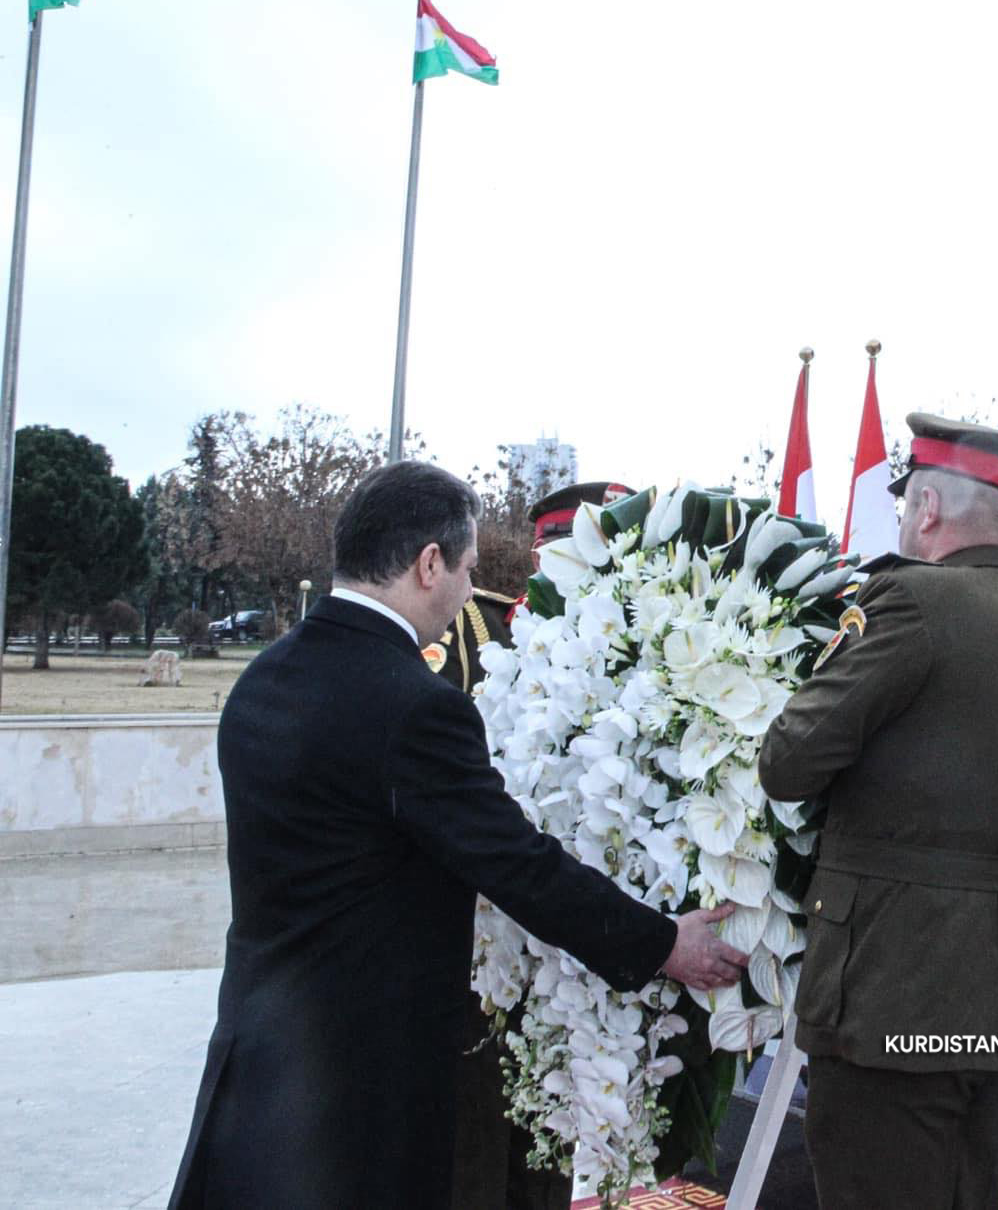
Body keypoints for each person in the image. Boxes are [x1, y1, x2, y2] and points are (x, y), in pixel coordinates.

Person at [168, 460, 749, 1209]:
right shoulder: (413, 705)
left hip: (260, 1049)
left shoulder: (263, 680)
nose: (472, 593)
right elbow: (516, 864)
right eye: (470, 570)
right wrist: (665, 944)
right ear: (428, 563)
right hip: (356, 1077)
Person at [759, 413, 998, 1210]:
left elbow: (788, 761)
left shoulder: (911, 601)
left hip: (895, 992)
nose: (903, 520)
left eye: (906, 505)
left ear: (928, 509)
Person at [443, 476, 627, 1210]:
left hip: (574, 939)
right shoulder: (470, 633)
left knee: (551, 1138)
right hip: (479, 939)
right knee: (474, 1140)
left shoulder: (623, 652)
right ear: (546, 554)